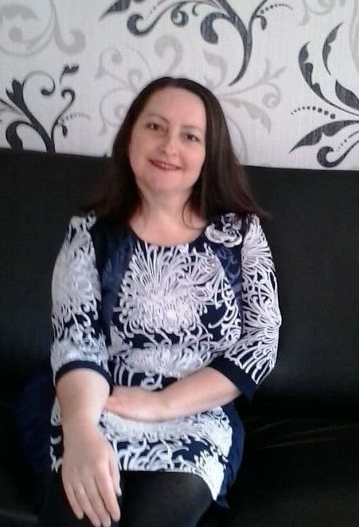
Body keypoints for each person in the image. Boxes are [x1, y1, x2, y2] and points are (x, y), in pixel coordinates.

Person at [37, 76, 281, 527]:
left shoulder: (239, 233)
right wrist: (81, 431)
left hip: (197, 415)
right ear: (130, 135)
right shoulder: (91, 234)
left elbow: (260, 342)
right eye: (155, 127)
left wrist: (162, 404)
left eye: (190, 136)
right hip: (101, 404)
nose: (169, 146)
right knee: (84, 509)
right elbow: (76, 341)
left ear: (208, 154)